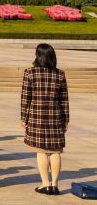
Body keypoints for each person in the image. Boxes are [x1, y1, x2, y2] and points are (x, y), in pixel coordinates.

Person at [21, 43, 69, 195]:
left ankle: (45, 184)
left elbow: (26, 98)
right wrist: (65, 120)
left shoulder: (30, 72)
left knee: (41, 151)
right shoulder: (60, 74)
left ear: (38, 56)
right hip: (55, 117)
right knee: (55, 151)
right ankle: (54, 185)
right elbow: (64, 100)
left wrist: (24, 118)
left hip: (37, 117)